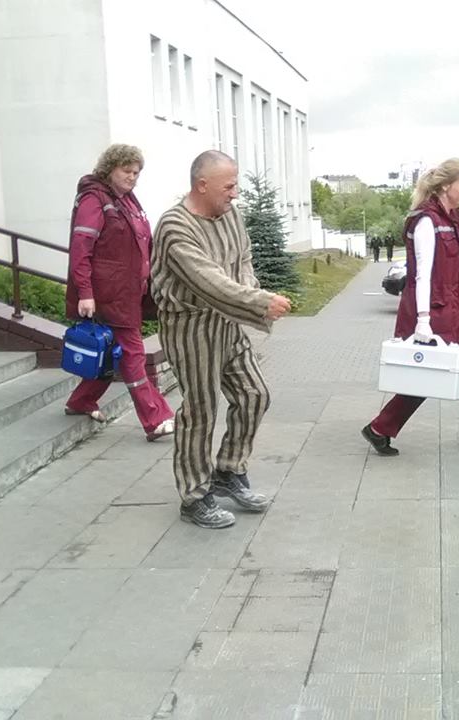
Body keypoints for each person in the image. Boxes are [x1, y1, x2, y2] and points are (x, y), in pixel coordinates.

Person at [151, 150, 291, 529]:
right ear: (203, 185)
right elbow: (207, 279)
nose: (235, 192)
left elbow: (242, 261)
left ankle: (228, 470)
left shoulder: (230, 215)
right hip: (190, 325)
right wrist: (259, 302)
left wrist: (252, 291)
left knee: (254, 394)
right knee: (200, 409)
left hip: (227, 321)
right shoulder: (174, 227)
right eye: (229, 185)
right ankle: (194, 496)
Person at [361, 158, 459, 456]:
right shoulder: (426, 221)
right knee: (430, 374)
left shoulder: (453, 219)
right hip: (433, 311)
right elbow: (421, 274)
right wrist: (422, 321)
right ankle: (380, 428)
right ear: (446, 185)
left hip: (454, 308)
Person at [64, 144, 175, 441]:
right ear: (110, 168)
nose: (133, 177)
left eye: (137, 172)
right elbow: (81, 249)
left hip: (127, 293)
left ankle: (80, 401)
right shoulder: (94, 199)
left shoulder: (127, 200)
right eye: (127, 170)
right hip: (108, 294)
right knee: (132, 353)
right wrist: (85, 292)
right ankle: (156, 418)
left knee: (111, 354)